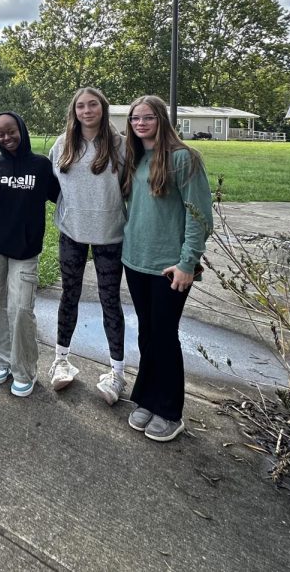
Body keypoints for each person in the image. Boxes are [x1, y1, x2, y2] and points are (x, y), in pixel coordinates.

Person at [121, 94, 213, 443]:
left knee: (164, 335)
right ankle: (146, 397)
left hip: (170, 267)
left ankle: (170, 411)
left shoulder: (183, 159)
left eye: (147, 117)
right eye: (134, 118)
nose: (140, 123)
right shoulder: (135, 158)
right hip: (136, 261)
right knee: (147, 332)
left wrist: (188, 262)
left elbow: (199, 215)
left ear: (162, 119)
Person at [47, 87, 128, 406]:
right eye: (80, 106)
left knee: (110, 300)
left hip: (111, 235)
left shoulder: (120, 144)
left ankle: (118, 372)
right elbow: (56, 186)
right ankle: (61, 360)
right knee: (69, 295)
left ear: (102, 108)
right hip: (72, 233)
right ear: (74, 111)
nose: (86, 110)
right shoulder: (62, 143)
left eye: (92, 104)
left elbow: (129, 185)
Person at [0, 111, 59, 397]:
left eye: (11, 131)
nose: (6, 137)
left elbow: (60, 196)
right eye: (0, 134)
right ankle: (1, 360)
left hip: (25, 250)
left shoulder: (41, 166)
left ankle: (23, 370)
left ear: (21, 130)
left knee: (21, 310)